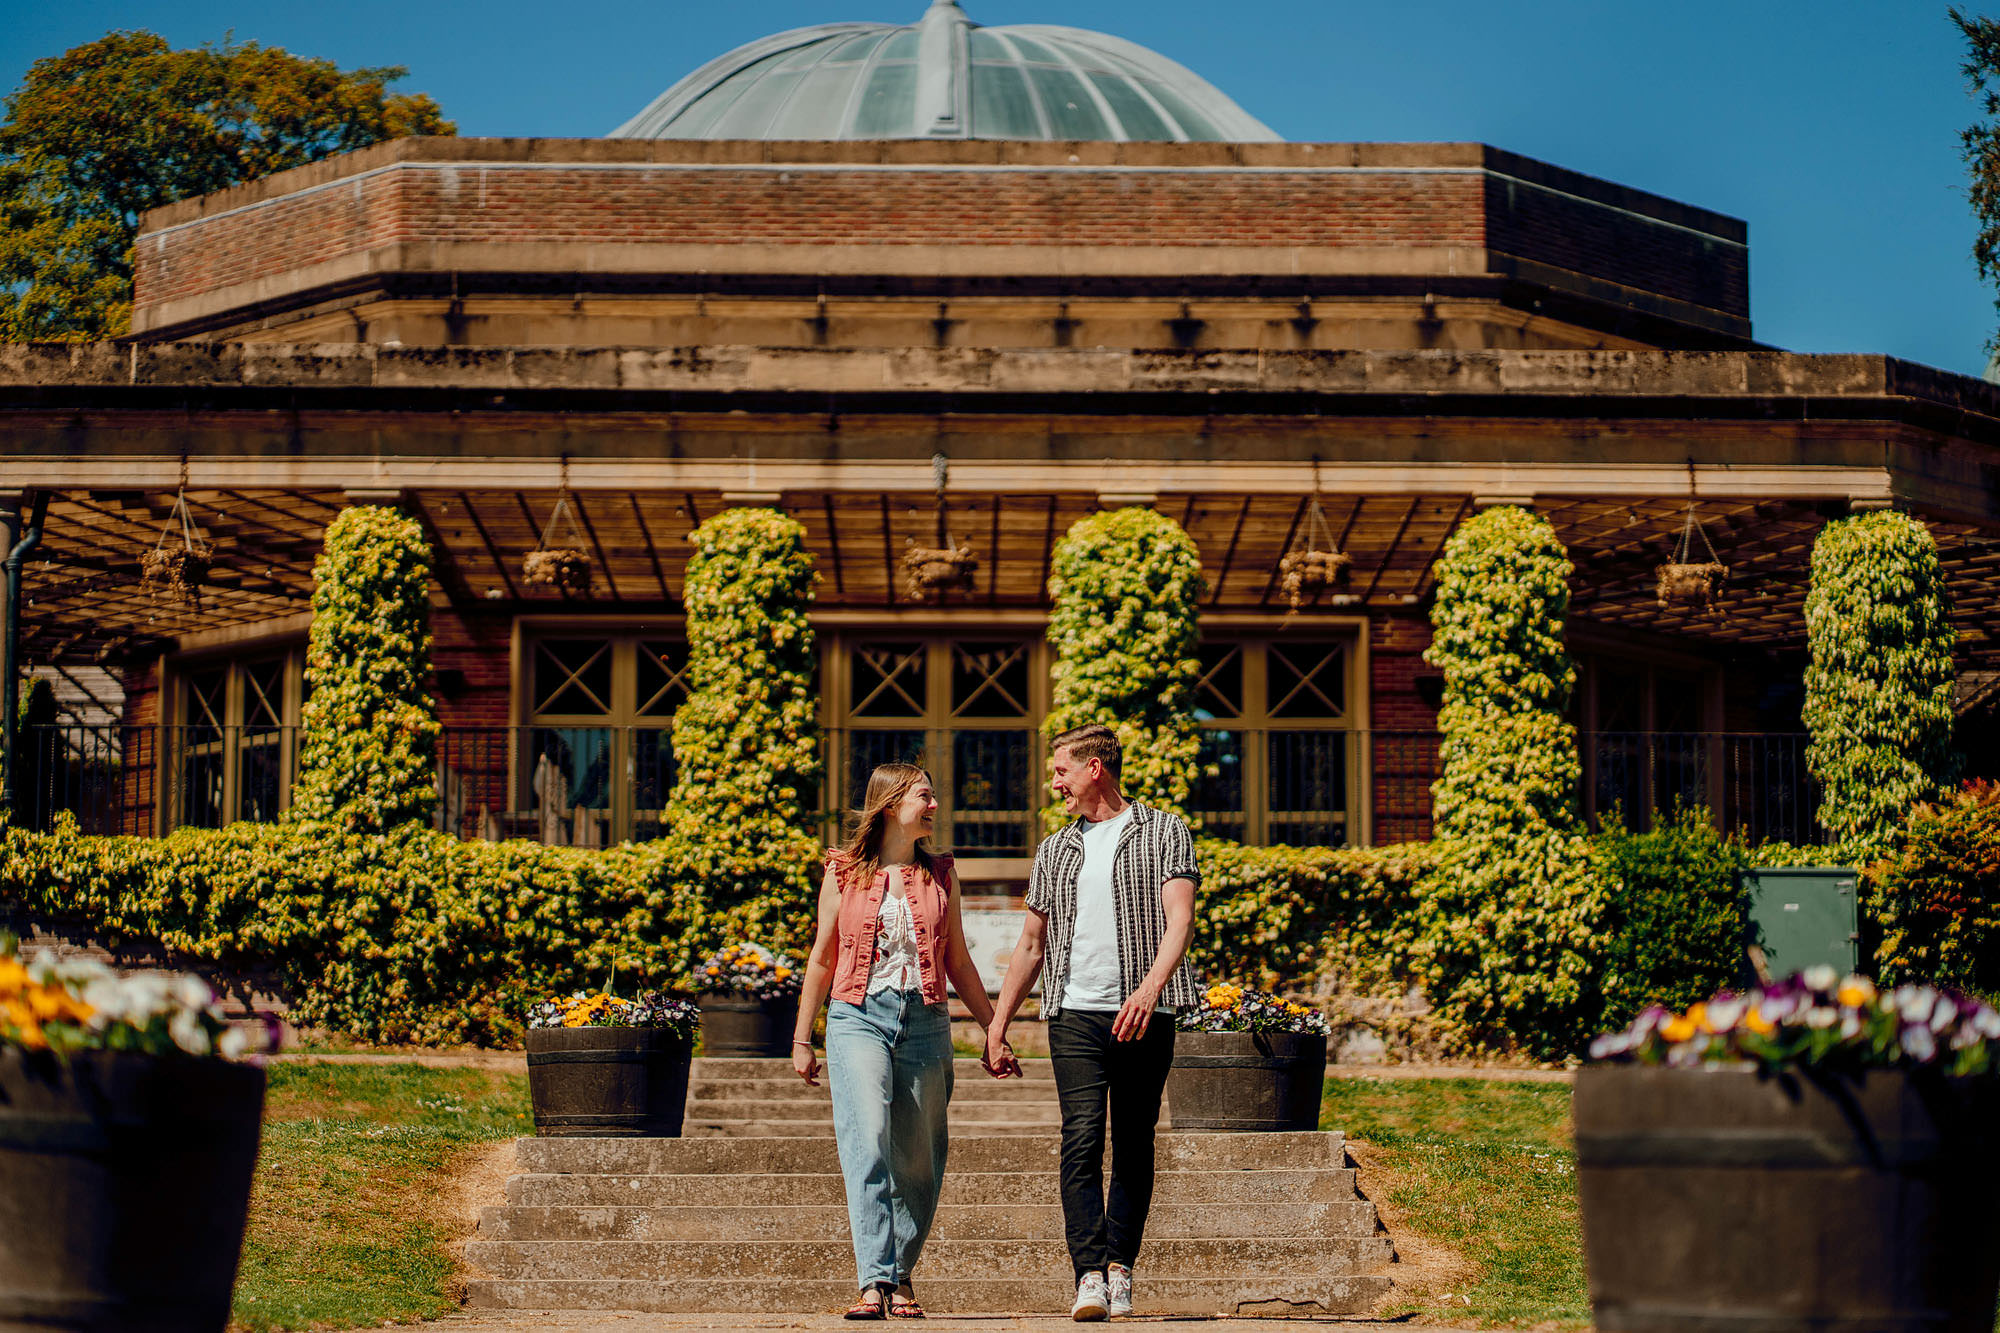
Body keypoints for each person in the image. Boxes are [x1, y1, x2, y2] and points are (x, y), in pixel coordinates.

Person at [987, 724, 1200, 1322]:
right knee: (1080, 1138)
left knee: (1133, 1140)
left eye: (1061, 771)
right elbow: (1031, 945)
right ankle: (1087, 1275)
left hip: (1144, 1013)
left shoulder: (1163, 830)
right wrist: (999, 1023)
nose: (1054, 782)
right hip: (1074, 1012)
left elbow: (1179, 921)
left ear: (1095, 769)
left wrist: (1149, 989)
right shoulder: (1056, 848)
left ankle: (1120, 1270)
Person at [792, 762, 1019, 1320]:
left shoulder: (941, 873)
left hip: (925, 1020)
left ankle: (900, 1275)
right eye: (926, 795)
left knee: (918, 1156)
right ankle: (873, 1278)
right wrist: (803, 1036)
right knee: (867, 1136)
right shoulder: (844, 872)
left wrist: (994, 1031)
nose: (936, 803)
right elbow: (822, 956)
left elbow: (958, 960)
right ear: (892, 804)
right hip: (857, 1016)